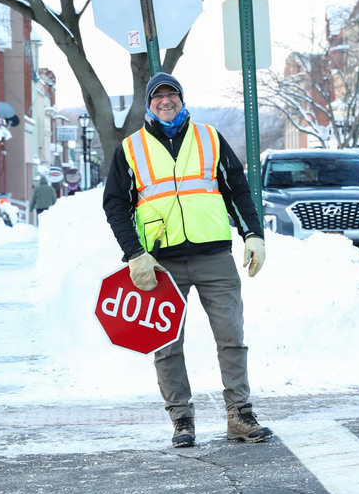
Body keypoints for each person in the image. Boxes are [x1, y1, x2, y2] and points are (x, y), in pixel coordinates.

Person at [103, 72, 271, 448]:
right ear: (149, 104)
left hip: (214, 256)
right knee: (166, 345)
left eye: (172, 95)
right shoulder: (131, 149)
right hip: (161, 265)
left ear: (181, 98)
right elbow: (115, 205)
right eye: (158, 96)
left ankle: (239, 415)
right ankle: (181, 420)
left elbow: (237, 190)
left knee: (231, 337)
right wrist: (135, 254)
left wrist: (253, 234)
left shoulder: (209, 139)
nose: (166, 101)